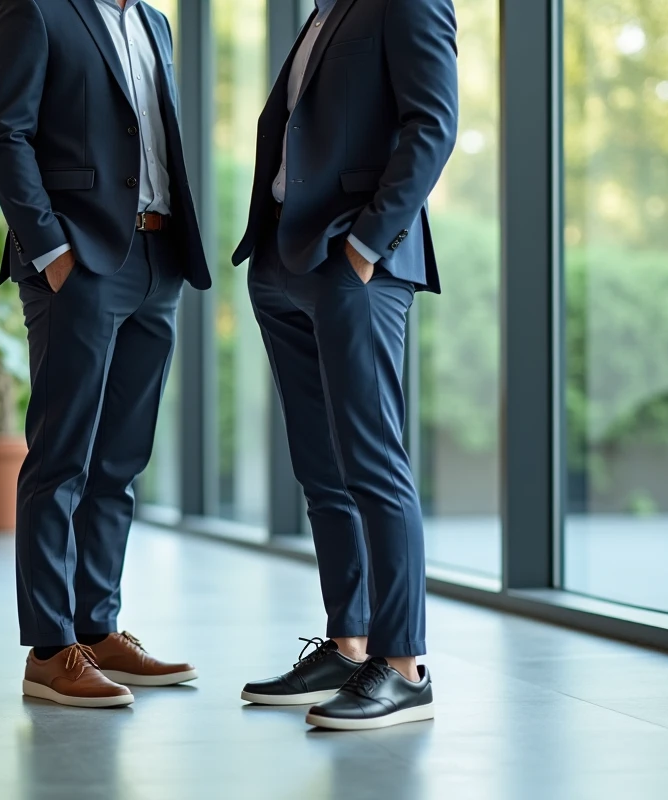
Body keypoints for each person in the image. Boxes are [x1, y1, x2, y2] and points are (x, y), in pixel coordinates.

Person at [0, 0, 210, 708]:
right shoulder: (34, 9)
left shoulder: (154, 22)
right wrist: (51, 252)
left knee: (120, 460)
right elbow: (4, 135)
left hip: (158, 253)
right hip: (78, 263)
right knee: (62, 457)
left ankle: (97, 627)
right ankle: (51, 651)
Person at [234, 0, 458, 730]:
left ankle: (402, 665)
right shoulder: (326, 11)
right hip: (283, 261)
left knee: (371, 463)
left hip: (354, 263)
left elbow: (433, 125)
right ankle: (349, 640)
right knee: (320, 470)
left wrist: (365, 248)